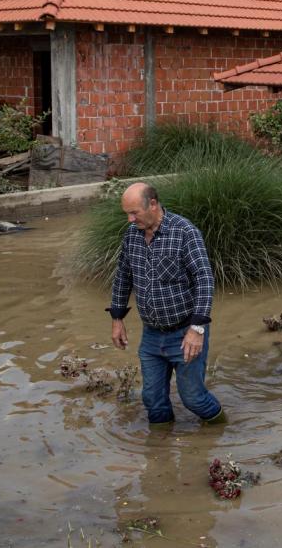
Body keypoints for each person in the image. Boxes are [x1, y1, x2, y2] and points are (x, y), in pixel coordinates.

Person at [107, 182, 225, 425]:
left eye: (134, 213)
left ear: (152, 204)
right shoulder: (132, 236)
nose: (129, 220)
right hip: (152, 334)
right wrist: (117, 319)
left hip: (185, 332)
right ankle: (160, 455)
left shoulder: (184, 232)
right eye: (127, 214)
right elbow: (123, 277)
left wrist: (197, 329)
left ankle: (220, 431)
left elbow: (204, 279)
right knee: (152, 400)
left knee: (193, 399)